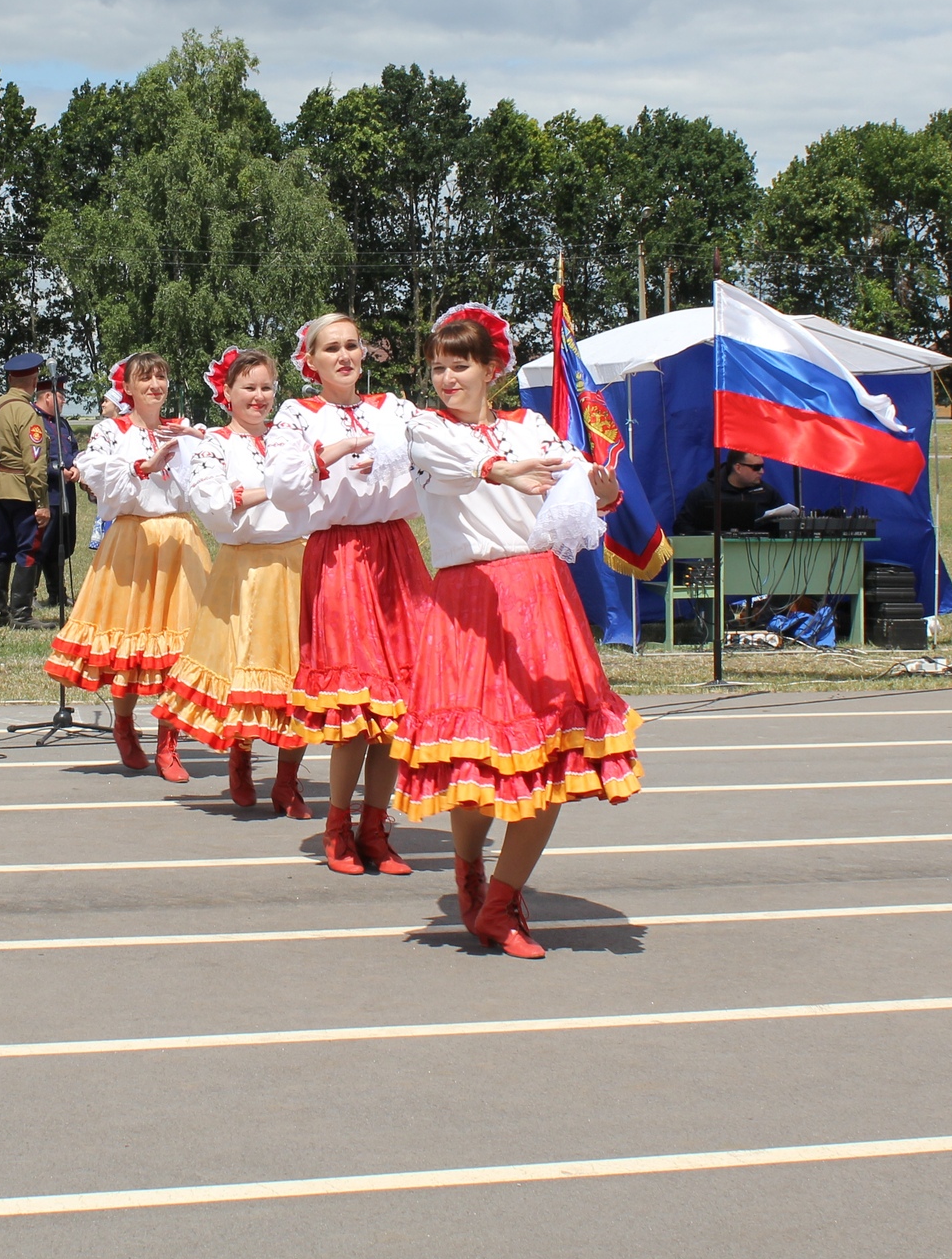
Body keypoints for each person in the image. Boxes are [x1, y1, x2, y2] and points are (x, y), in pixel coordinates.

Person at [398, 304, 643, 958]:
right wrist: (499, 470)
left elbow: (577, 490)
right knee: (473, 756)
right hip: (467, 601)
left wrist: (601, 485)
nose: (447, 378)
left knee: (550, 754)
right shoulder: (424, 428)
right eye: (439, 367)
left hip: (538, 598)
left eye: (461, 365)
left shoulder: (529, 424)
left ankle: (503, 899)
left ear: (492, 369)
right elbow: (443, 463)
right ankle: (470, 872)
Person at [267, 312, 432, 876]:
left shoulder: (396, 409)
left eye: (352, 346)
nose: (344, 356)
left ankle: (374, 826)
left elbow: (441, 455)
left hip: (395, 553)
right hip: (338, 557)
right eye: (331, 348)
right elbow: (283, 487)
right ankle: (337, 825)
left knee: (396, 706)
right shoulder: (296, 415)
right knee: (355, 704)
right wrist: (332, 451)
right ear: (309, 360)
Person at [155, 347, 314, 817]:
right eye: (249, 387)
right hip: (243, 569)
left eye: (266, 387)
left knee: (298, 674)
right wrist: (279, 488)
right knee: (241, 667)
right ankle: (240, 762)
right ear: (227, 393)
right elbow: (213, 502)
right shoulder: (214, 445)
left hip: (296, 563)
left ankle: (287, 780)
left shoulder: (290, 440)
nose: (259, 396)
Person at [45, 354, 212, 777]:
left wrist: (200, 442)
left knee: (180, 646)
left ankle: (168, 745)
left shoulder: (185, 431)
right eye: (145, 378)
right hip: (133, 540)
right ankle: (123, 726)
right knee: (131, 644)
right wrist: (143, 466)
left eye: (161, 377)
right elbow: (92, 470)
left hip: (178, 540)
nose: (155, 385)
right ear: (129, 388)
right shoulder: (112, 430)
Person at [0, 352, 53, 628]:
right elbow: (34, 462)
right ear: (34, 382)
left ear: (11, 378)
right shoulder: (27, 414)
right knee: (28, 548)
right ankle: (21, 614)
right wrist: (42, 500)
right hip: (23, 489)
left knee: (3, 547)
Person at [24, 373, 81, 620]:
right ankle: (29, 593)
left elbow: (73, 450)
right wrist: (59, 469)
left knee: (63, 543)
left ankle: (57, 592)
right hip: (47, 491)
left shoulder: (63, 424)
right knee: (41, 543)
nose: (63, 401)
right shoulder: (34, 421)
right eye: (61, 397)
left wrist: (78, 466)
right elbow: (33, 458)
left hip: (66, 492)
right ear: (48, 396)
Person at [671, 451, 784, 537]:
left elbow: (782, 525)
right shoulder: (705, 492)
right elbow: (682, 526)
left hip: (760, 557)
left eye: (762, 467)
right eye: (756, 467)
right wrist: (706, 545)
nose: (761, 472)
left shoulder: (768, 493)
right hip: (716, 558)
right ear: (738, 468)